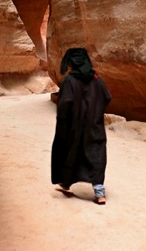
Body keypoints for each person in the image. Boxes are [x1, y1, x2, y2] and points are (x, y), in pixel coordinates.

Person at [51, 48, 112, 205]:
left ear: (71, 63)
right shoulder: (97, 79)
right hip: (94, 127)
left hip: (73, 128)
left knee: (70, 151)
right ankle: (99, 193)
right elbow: (107, 97)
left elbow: (64, 105)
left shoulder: (69, 81)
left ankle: (65, 181)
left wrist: (64, 125)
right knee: (96, 155)